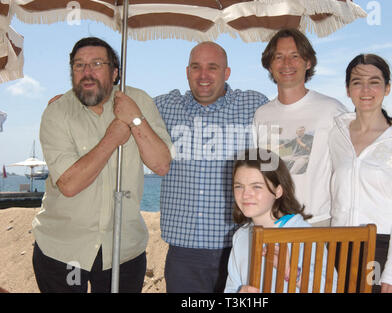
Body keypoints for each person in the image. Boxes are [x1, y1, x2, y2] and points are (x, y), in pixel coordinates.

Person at [32, 37, 173, 293]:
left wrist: (136, 120)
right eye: (78, 65)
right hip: (62, 250)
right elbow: (69, 184)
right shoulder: (57, 112)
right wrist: (114, 135)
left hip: (123, 251)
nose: (87, 73)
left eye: (97, 64)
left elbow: (162, 164)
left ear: (115, 72)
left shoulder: (138, 100)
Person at [253, 28, 392, 227]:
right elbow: (262, 172)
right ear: (269, 65)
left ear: (308, 62)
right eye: (278, 57)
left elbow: (362, 153)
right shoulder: (262, 115)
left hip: (318, 223)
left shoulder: (331, 110)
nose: (287, 64)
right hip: (272, 222)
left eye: (295, 56)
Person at [154, 42, 268, 292]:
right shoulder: (165, 107)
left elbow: (290, 121)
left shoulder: (253, 105)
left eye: (212, 67)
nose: (203, 75)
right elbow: (121, 109)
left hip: (239, 246)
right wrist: (70, 100)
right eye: (196, 67)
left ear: (227, 73)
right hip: (184, 251)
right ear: (187, 72)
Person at [329, 54, 392, 293]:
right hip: (339, 247)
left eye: (375, 81)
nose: (366, 89)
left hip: (381, 249)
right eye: (357, 82)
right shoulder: (335, 134)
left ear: (387, 88)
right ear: (348, 90)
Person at [224, 148, 337, 293]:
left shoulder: (305, 234)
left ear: (278, 191)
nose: (245, 194)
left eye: (256, 186)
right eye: (239, 186)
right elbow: (230, 289)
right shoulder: (240, 236)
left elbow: (331, 289)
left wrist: (290, 273)